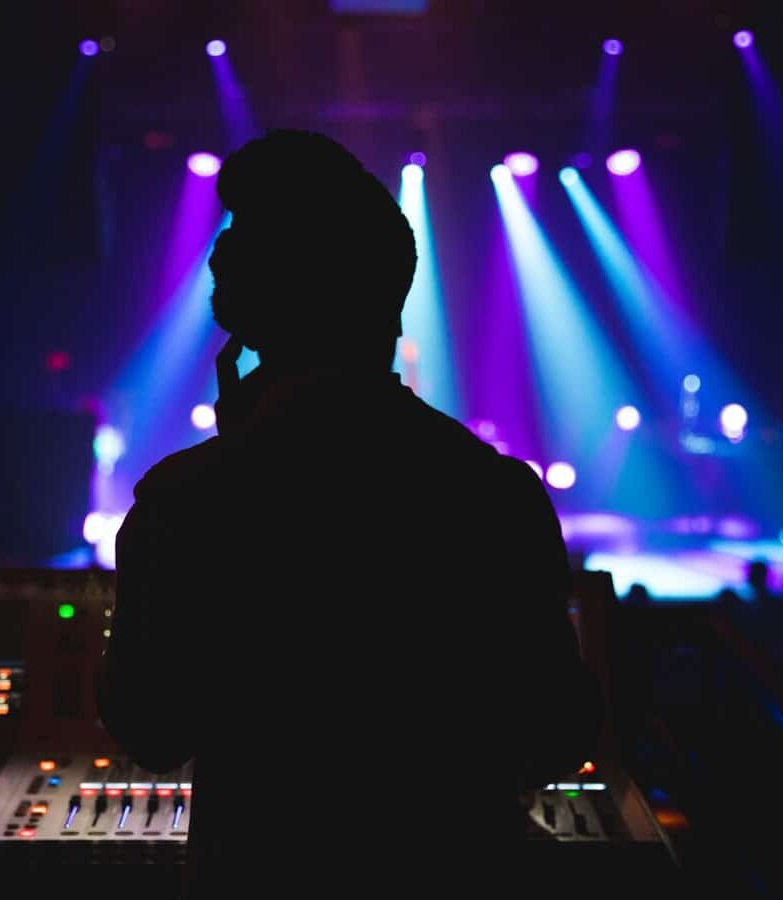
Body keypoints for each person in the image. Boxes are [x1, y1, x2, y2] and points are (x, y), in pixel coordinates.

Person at [97, 129, 601, 897]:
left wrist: (243, 460)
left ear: (241, 316)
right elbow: (558, 734)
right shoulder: (495, 490)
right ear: (390, 308)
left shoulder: (188, 500)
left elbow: (151, 729)